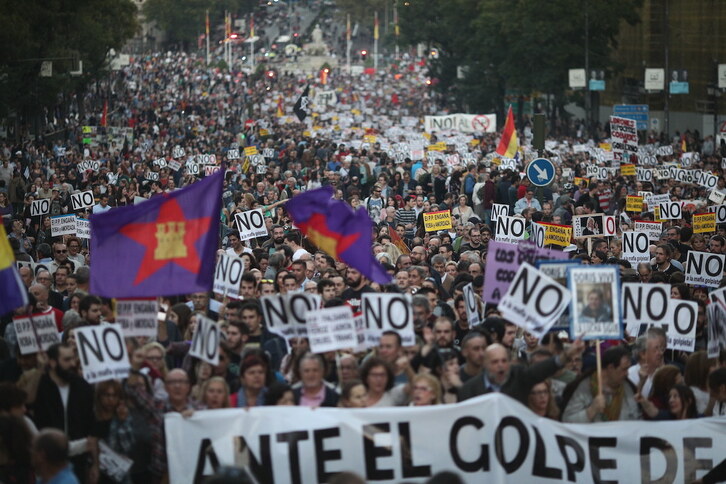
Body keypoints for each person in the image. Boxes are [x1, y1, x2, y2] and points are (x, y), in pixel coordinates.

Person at [458, 339, 585, 405]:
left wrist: (566, 355)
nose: (501, 366)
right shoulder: (469, 390)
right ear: (485, 364)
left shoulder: (518, 376)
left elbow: (539, 371)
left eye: (504, 361)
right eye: (495, 362)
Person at [562, 346, 641, 423]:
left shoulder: (627, 387)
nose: (627, 373)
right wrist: (591, 410)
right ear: (610, 368)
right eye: (624, 369)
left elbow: (637, 417)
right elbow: (567, 420)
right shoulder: (584, 388)